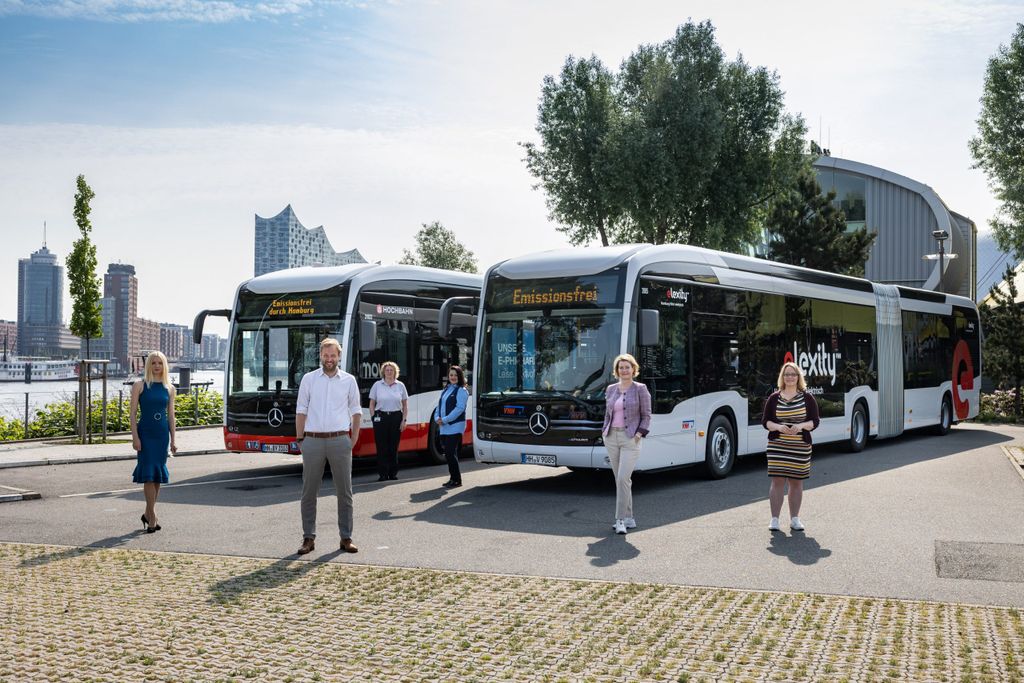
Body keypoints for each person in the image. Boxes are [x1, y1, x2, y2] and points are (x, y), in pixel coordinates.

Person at [294, 338, 362, 555]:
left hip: (340, 439)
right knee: (309, 492)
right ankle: (308, 538)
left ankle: (346, 538)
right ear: (320, 356)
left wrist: (353, 440)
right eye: (326, 355)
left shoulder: (349, 380)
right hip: (312, 440)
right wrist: (300, 439)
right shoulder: (309, 379)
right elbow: (301, 410)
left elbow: (356, 411)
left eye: (333, 355)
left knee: (345, 492)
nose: (329, 359)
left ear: (338, 356)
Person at [761, 361, 820, 532]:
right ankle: (774, 520)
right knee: (777, 481)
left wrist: (801, 426)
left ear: (798, 377)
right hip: (777, 446)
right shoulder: (774, 398)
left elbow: (815, 422)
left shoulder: (808, 398)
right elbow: (765, 421)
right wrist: (779, 427)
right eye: (786, 374)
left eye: (793, 374)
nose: (790, 377)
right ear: (782, 377)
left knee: (796, 482)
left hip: (799, 446)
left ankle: (795, 519)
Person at [601, 353, 652, 535]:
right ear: (617, 370)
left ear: (633, 369)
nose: (624, 370)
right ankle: (630, 518)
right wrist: (604, 432)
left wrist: (638, 434)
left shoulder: (640, 389)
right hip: (611, 438)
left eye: (627, 367)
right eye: (621, 367)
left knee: (623, 478)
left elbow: (646, 416)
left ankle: (620, 519)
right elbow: (607, 414)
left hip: (630, 438)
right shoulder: (611, 389)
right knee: (621, 480)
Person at [130, 350, 177, 533]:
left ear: (164, 366)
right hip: (145, 434)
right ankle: (152, 517)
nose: (156, 366)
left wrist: (174, 440)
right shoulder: (139, 385)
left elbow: (171, 416)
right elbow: (132, 414)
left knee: (156, 476)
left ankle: (147, 513)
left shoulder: (169, 388)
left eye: (160, 363)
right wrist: (135, 437)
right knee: (148, 474)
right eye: (153, 363)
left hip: (161, 435)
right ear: (148, 365)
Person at [369, 361, 409, 481]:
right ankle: (382, 474)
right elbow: (372, 404)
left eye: (391, 370)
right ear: (383, 372)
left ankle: (393, 474)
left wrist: (404, 420)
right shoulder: (377, 385)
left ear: (395, 372)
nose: (389, 372)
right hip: (381, 417)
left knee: (393, 447)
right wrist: (373, 418)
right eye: (387, 370)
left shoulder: (400, 385)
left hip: (396, 417)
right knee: (382, 447)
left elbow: (405, 405)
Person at [434, 365, 469, 488]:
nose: (453, 377)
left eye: (455, 375)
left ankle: (457, 480)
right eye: (451, 375)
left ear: (459, 376)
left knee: (449, 452)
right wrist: (436, 418)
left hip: (455, 426)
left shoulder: (461, 390)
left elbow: (460, 409)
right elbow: (439, 405)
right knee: (449, 453)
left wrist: (445, 419)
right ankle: (453, 478)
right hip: (444, 426)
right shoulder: (446, 389)